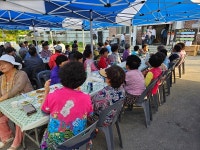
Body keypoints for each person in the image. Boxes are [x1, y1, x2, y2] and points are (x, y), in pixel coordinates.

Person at [40, 62, 93, 149]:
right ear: (82, 79)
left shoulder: (53, 94)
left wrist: (46, 91)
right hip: (78, 141)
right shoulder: (86, 97)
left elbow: (44, 111)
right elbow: (89, 114)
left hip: (55, 142)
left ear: (62, 77)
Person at [0, 54, 33, 150]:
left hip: (28, 103)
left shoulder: (21, 74)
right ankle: (7, 137)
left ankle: (17, 142)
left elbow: (17, 88)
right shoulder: (1, 78)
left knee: (19, 119)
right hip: (10, 105)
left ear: (12, 64)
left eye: (4, 64)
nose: (1, 66)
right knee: (0, 119)